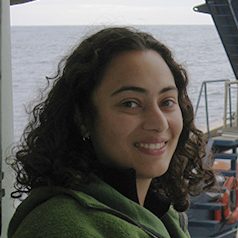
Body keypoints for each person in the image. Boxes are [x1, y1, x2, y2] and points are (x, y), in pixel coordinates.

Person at [8, 27, 215, 238]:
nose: (159, 123)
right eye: (131, 103)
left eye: (167, 102)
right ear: (83, 118)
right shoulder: (56, 228)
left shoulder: (162, 214)